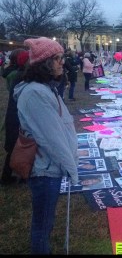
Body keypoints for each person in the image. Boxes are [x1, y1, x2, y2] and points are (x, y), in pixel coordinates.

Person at [14, 37, 78, 254]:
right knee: (42, 224)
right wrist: (72, 168)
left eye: (61, 57)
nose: (62, 62)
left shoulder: (45, 88)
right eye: (57, 58)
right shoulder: (35, 93)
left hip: (51, 167)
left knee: (45, 221)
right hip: (45, 170)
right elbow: (52, 137)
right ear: (44, 63)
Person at [1, 49, 29, 184]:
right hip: (17, 116)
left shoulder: (18, 74)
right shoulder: (20, 76)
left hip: (15, 115)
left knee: (15, 147)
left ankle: (9, 177)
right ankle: (14, 177)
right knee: (17, 147)